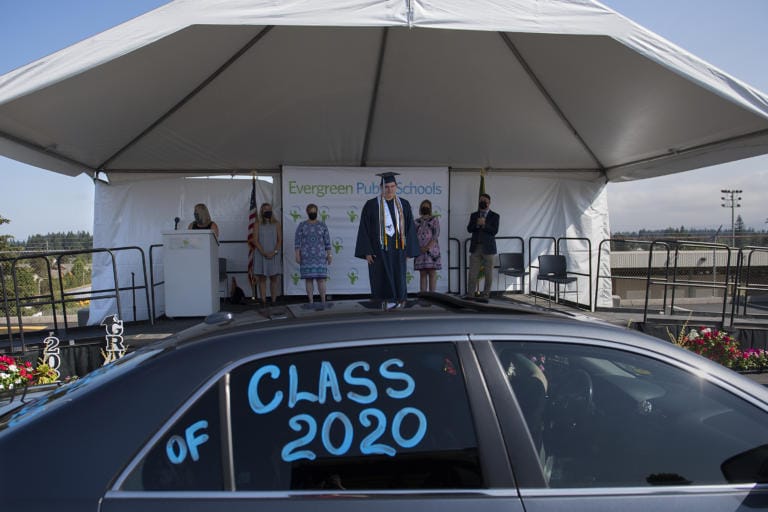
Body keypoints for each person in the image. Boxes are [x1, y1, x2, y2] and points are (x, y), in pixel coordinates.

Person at [355, 171, 419, 308]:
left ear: (396, 186)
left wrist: (409, 250)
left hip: (398, 250)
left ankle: (399, 308)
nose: (389, 190)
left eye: (392, 186)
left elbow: (410, 229)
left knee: (399, 280)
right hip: (378, 252)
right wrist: (366, 251)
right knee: (380, 281)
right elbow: (364, 229)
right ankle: (381, 310)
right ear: (381, 188)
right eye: (386, 187)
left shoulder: (404, 205)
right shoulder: (371, 205)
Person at [294, 203, 332, 303]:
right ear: (307, 212)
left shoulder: (322, 225)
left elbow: (327, 241)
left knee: (321, 279)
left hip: (320, 257)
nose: (313, 213)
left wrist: (329, 254)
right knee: (309, 279)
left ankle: (323, 301)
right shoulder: (302, 225)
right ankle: (310, 301)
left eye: (314, 211)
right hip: (306, 257)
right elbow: (297, 241)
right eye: (311, 211)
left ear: (317, 212)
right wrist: (297, 254)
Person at [466, 193, 499, 299]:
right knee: (472, 274)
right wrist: (477, 224)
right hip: (475, 248)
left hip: (489, 249)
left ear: (489, 203)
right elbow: (469, 229)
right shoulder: (474, 215)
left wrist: (484, 224)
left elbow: (494, 231)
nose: (482, 202)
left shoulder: (495, 216)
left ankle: (485, 295)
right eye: (481, 200)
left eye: (485, 200)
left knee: (488, 274)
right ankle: (470, 295)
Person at [252, 202, 282, 306]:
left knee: (274, 278)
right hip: (261, 254)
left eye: (269, 209)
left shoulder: (277, 224)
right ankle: (263, 301)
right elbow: (255, 240)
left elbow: (279, 240)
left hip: (274, 254)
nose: (267, 211)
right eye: (265, 209)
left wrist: (274, 252)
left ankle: (274, 301)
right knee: (262, 279)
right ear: (262, 211)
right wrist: (264, 253)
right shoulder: (257, 224)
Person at [414, 199, 441, 293]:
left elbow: (436, 234)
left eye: (427, 207)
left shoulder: (434, 219)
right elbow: (413, 236)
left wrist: (427, 247)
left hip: (432, 251)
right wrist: (419, 248)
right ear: (421, 209)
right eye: (423, 207)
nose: (425, 208)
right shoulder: (416, 221)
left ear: (430, 209)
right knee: (423, 274)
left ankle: (433, 296)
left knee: (432, 273)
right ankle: (423, 296)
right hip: (420, 251)